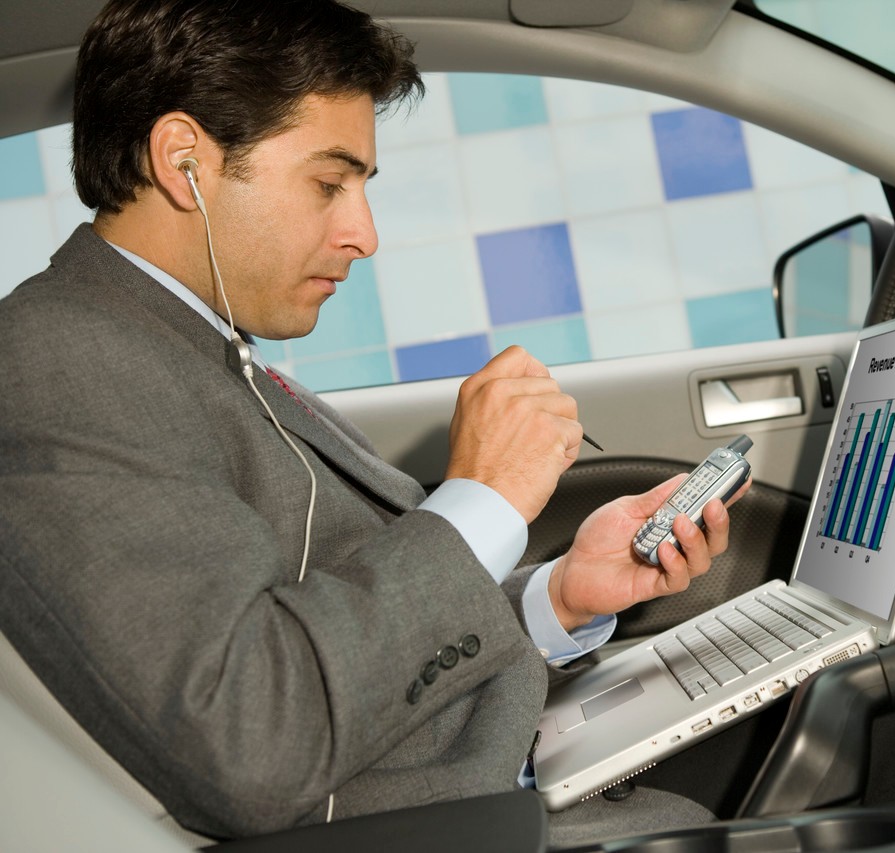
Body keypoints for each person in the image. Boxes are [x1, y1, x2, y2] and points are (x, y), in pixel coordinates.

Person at [0, 0, 736, 844]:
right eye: (328, 183)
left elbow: (326, 613)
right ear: (184, 162)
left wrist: (556, 597)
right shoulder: (57, 361)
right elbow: (251, 736)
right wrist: (482, 500)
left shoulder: (184, 343)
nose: (365, 234)